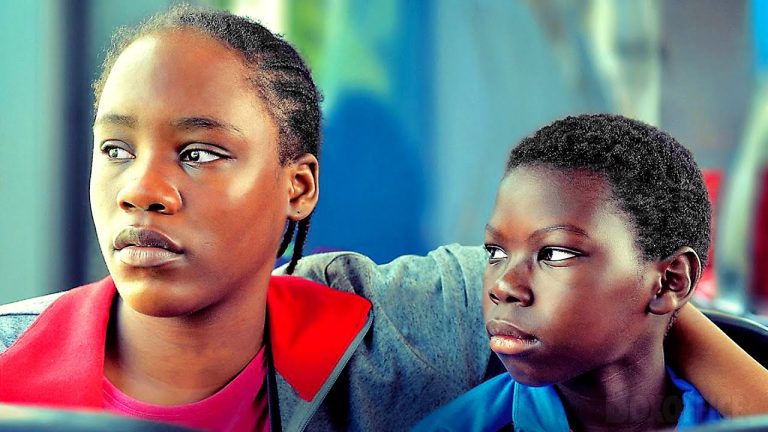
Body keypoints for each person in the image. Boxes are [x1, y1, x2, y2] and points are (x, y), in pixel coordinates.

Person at [0, 6, 765, 432]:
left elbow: (633, 302)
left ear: (298, 187)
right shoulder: (13, 366)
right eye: (114, 148)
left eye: (199, 152)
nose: (143, 190)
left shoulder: (393, 327)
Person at [413, 114, 752, 431]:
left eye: (555, 253)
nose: (503, 286)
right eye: (496, 252)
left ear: (669, 281)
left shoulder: (743, 412)